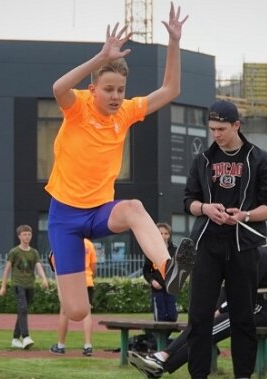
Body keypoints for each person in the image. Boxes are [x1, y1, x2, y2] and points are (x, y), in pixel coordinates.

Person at [45, 3, 194, 327]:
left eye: (121, 90)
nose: (115, 96)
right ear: (92, 89)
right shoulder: (78, 107)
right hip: (66, 217)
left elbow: (171, 90)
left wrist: (174, 42)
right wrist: (100, 58)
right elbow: (58, 88)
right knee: (77, 312)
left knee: (134, 208)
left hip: (100, 211)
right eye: (108, 90)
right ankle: (58, 259)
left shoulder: (126, 111)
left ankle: (169, 269)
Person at [179, 99, 267, 379]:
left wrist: (245, 215)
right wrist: (206, 208)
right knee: (199, 315)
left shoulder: (260, 159)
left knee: (242, 317)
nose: (216, 135)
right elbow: (189, 202)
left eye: (221, 129)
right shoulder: (202, 160)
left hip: (244, 246)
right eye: (212, 129)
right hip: (207, 243)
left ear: (237, 125)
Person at [129, 246, 267, 379]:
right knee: (200, 323)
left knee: (205, 333)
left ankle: (161, 364)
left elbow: (244, 292)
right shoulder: (234, 254)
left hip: (258, 309)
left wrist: (220, 310)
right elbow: (226, 289)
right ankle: (162, 357)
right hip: (240, 306)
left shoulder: (256, 256)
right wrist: (211, 310)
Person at [0, 225, 50, 349]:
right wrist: (3, 286)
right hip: (18, 284)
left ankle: (15, 339)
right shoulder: (14, 252)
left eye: (29, 234)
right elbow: (7, 270)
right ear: (19, 236)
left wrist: (44, 279)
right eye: (24, 234)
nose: (27, 237)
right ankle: (26, 337)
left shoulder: (34, 252)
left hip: (30, 285)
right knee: (23, 308)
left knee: (23, 311)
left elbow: (38, 266)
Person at [49, 239, 97, 356]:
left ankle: (60, 345)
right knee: (87, 312)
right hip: (86, 280)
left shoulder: (64, 241)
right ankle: (88, 346)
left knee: (64, 311)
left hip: (70, 280)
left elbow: (55, 262)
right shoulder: (89, 244)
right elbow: (93, 266)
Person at [142, 223, 179, 323]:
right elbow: (146, 270)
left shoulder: (175, 250)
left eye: (166, 233)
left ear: (169, 235)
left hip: (170, 288)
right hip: (157, 289)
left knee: (172, 316)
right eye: (160, 233)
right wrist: (152, 281)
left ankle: (167, 338)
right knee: (160, 317)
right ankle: (158, 338)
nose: (163, 236)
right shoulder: (151, 250)